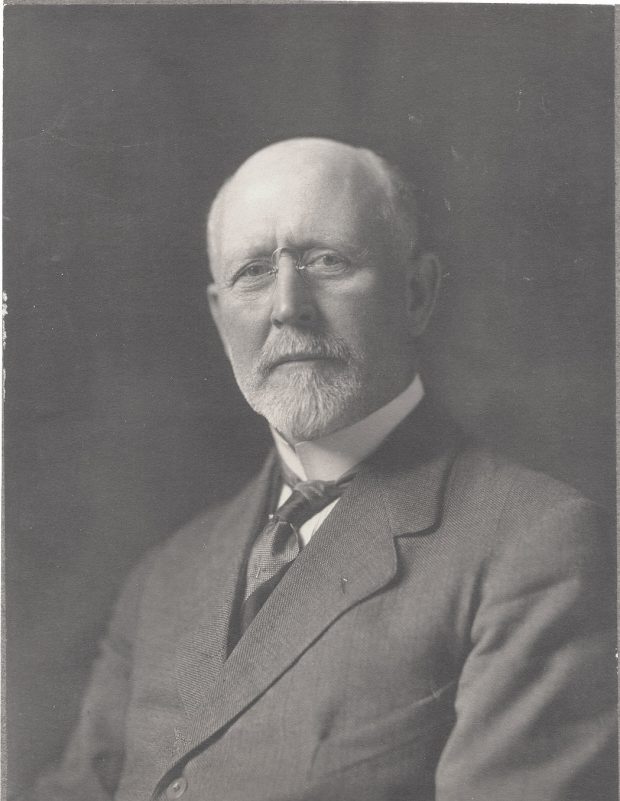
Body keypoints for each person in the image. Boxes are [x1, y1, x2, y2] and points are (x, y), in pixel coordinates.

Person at [33, 138, 616, 801]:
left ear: (417, 293)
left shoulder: (534, 546)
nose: (289, 304)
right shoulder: (165, 575)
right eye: (253, 271)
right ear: (222, 318)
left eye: (326, 260)